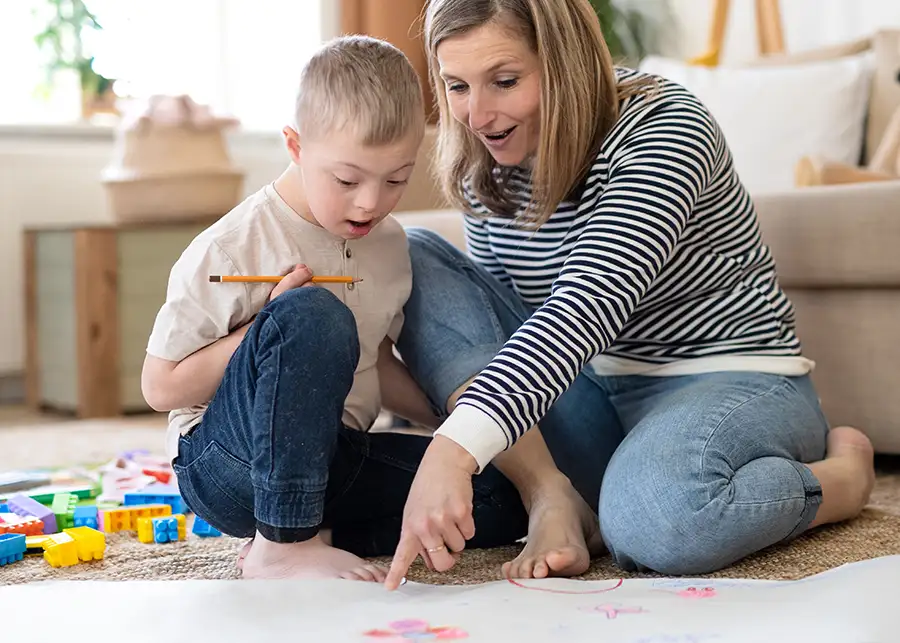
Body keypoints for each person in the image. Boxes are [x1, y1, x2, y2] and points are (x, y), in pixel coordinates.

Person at [383, 0, 876, 590]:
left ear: (564, 63)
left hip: (726, 377)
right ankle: (552, 497)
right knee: (409, 249)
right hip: (590, 390)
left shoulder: (663, 125)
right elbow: (501, 331)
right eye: (457, 86)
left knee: (654, 522)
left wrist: (454, 447)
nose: (477, 115)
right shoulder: (482, 164)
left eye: (505, 81)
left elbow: (587, 304)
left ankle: (840, 481)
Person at [140, 35, 537, 581]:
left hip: (333, 460)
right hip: (231, 464)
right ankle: (283, 544)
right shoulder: (234, 245)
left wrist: (463, 429)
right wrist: (264, 331)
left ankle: (308, 531)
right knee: (313, 314)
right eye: (347, 180)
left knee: (494, 494)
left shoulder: (389, 244)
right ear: (296, 147)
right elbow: (160, 388)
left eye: (396, 179)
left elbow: (374, 360)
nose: (370, 202)